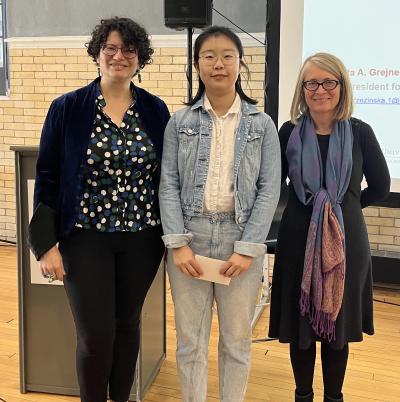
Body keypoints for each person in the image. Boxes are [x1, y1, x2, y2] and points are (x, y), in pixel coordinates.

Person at [28, 17, 170, 402]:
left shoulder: (156, 112)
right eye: (110, 48)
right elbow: (48, 177)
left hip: (142, 240)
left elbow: (167, 178)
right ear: (97, 53)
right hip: (84, 239)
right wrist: (46, 244)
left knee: (127, 327)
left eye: (128, 49)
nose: (118, 56)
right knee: (95, 336)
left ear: (140, 59)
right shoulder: (68, 108)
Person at [159, 26, 281, 402]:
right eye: (209, 56)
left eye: (228, 55)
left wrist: (248, 248)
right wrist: (177, 244)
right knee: (190, 342)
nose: (219, 64)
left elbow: (269, 190)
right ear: (197, 65)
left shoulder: (262, 125)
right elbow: (168, 185)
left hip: (238, 239)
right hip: (190, 239)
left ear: (240, 64)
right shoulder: (180, 122)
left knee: (236, 342)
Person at [268, 53, 390, 402]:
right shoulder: (289, 132)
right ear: (302, 89)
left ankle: (333, 397)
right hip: (296, 241)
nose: (320, 89)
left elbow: (381, 186)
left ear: (341, 86)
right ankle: (302, 396)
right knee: (301, 326)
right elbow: (274, 182)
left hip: (346, 242)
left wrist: (342, 210)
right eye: (312, 83)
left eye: (328, 82)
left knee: (335, 328)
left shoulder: (359, 132)